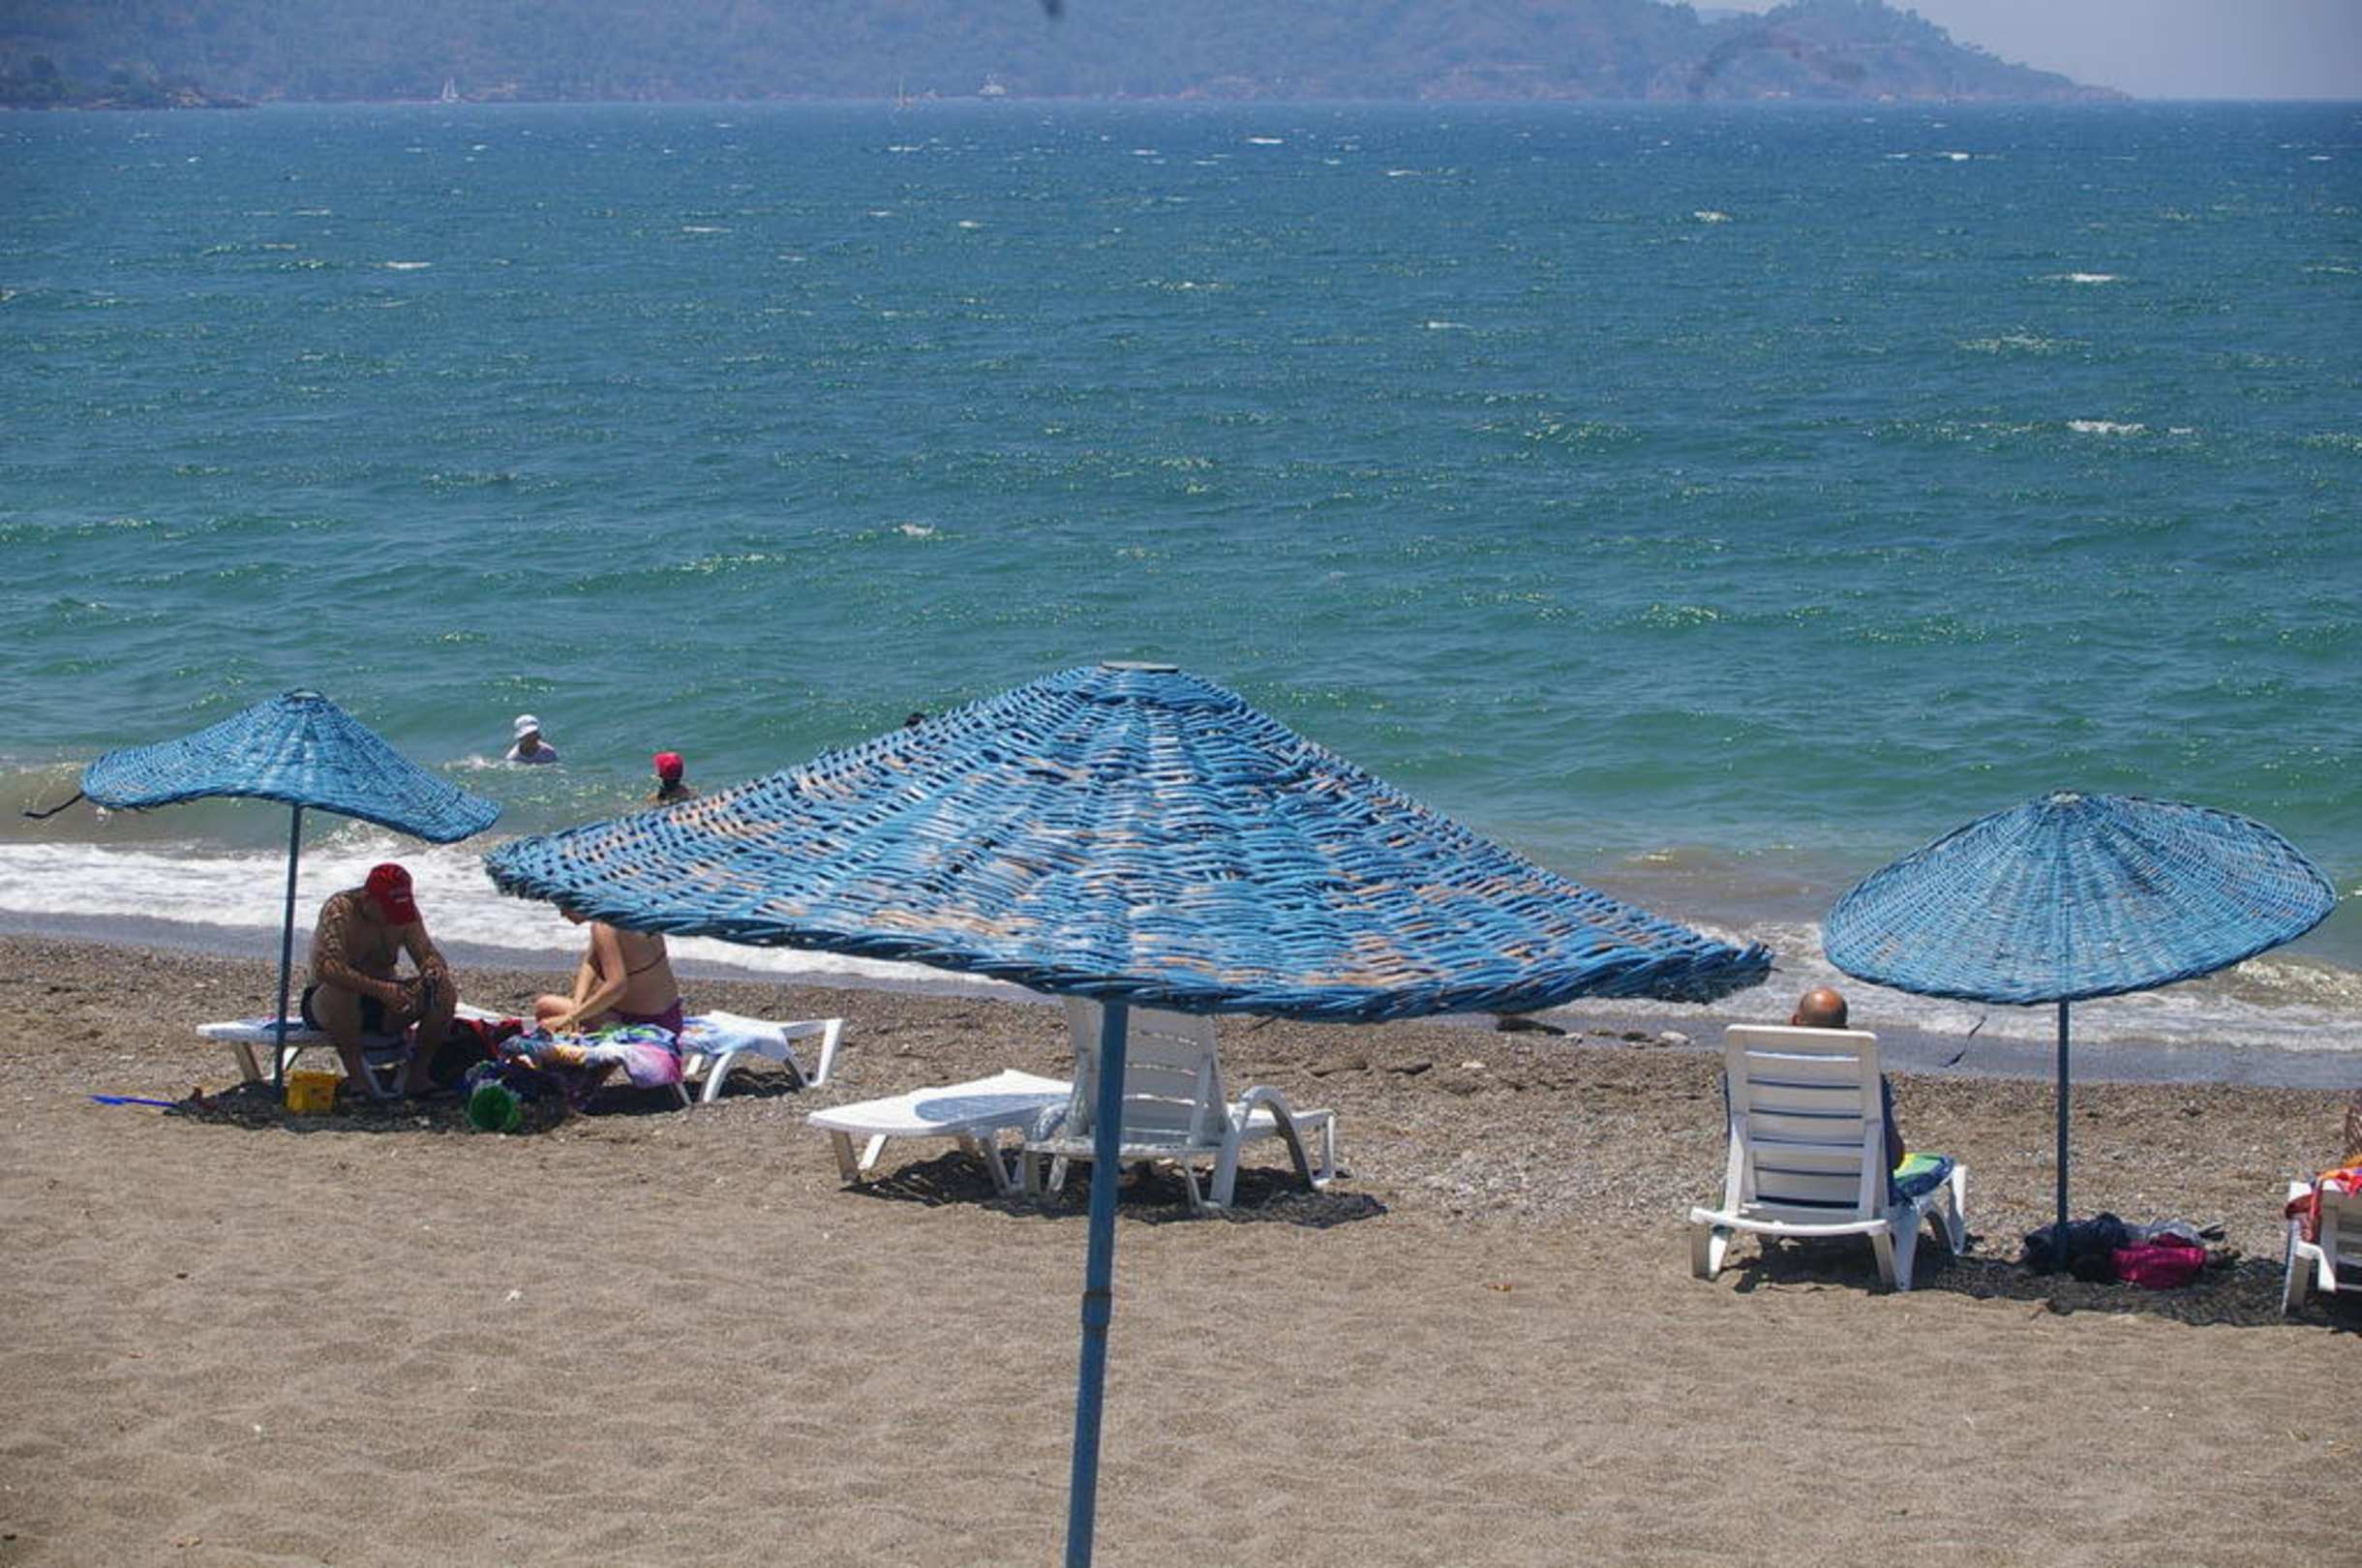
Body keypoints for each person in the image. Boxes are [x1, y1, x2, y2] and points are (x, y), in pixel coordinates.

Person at [302, 862, 459, 1098]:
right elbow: (328, 968)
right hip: (331, 1004)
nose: (391, 920)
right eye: (387, 911)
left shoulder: (405, 913)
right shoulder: (341, 909)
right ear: (368, 899)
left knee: (443, 990)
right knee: (340, 991)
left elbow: (426, 953)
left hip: (386, 1003)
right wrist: (380, 989)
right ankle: (358, 1081)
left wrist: (432, 969)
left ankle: (418, 1076)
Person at [1790, 985, 1907, 1168]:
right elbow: (1892, 1158)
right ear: (1844, 1030)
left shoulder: (1757, 1072)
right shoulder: (1868, 1079)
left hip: (1772, 1181)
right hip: (1852, 1184)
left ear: (1795, 1021)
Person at [532, 909, 684, 1039]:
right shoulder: (623, 913)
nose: (562, 913)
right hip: (669, 1018)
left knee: (544, 1008)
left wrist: (569, 1018)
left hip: (641, 1025)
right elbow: (591, 962)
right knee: (549, 1007)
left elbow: (617, 986)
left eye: (565, 905)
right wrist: (576, 1007)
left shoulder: (604, 926)